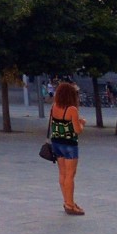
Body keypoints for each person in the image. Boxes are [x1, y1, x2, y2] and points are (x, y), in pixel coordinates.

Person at [49, 82, 86, 216]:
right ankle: (71, 205)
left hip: (56, 143)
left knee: (62, 174)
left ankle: (67, 201)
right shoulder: (72, 109)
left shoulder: (54, 107)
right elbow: (77, 130)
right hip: (69, 144)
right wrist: (82, 124)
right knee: (70, 175)